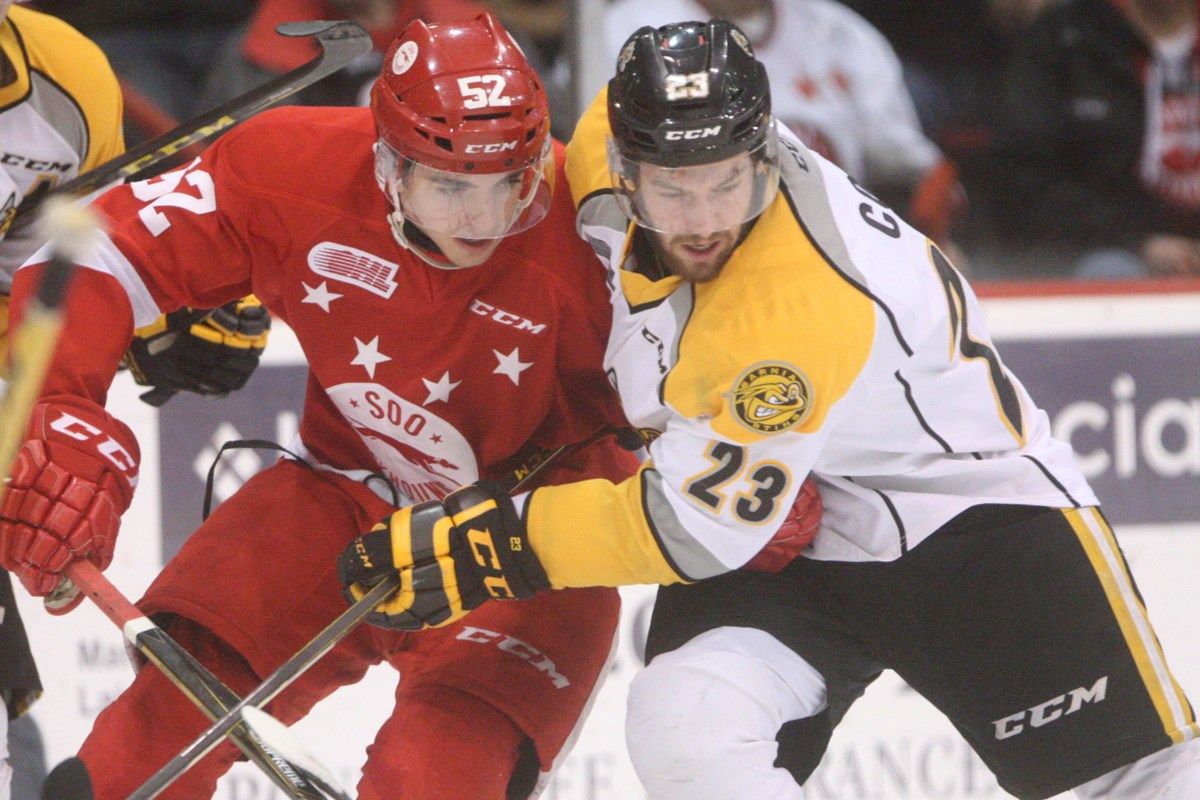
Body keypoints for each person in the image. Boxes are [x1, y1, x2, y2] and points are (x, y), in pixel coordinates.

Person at [338, 19, 1200, 800]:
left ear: (764, 154)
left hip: (967, 523)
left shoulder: (795, 306)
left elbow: (692, 531)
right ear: (628, 169)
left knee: (1144, 782)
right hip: (796, 530)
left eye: (726, 185)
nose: (704, 221)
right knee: (685, 729)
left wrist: (493, 545)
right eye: (672, 191)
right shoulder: (608, 140)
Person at [0, 13, 642, 800]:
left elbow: (719, 398)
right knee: (128, 765)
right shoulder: (292, 164)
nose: (484, 218)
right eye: (448, 185)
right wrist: (62, 412)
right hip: (340, 499)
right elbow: (94, 249)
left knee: (430, 781)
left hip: (530, 547)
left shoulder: (604, 233)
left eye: (511, 182)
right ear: (386, 160)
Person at [602, 0, 965, 245]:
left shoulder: (838, 31)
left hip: (833, 245)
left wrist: (930, 195)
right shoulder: (629, 30)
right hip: (690, 242)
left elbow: (903, 155)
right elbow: (607, 160)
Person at [993, 0, 1200, 280]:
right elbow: (1026, 175)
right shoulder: (1065, 35)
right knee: (1112, 272)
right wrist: (1138, 243)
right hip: (1106, 245)